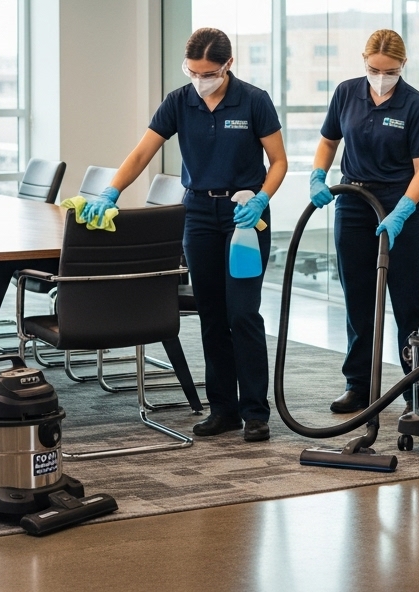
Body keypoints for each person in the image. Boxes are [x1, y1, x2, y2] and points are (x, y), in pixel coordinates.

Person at [82, 28, 287, 442]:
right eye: (192, 72)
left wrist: (262, 199)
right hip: (198, 215)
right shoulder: (179, 101)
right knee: (212, 313)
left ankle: (255, 412)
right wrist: (110, 191)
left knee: (242, 313)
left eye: (208, 73)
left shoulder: (253, 100)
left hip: (244, 216)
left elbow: (278, 161)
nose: (199, 80)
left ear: (228, 65)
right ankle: (223, 410)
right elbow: (142, 153)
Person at [309, 29, 419, 414]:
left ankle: (416, 390)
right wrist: (318, 175)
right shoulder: (346, 93)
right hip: (353, 202)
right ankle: (358, 385)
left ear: (403, 65)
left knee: (409, 303)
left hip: (401, 207)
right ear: (364, 61)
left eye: (390, 71)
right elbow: (329, 140)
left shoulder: (415, 105)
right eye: (375, 69)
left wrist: (402, 211)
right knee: (358, 299)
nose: (382, 77)